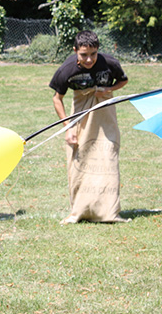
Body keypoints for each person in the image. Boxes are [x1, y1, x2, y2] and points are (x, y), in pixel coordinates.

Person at [49, 30, 129, 224]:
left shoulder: (109, 63)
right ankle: (79, 211)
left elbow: (123, 80)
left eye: (93, 54)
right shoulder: (66, 69)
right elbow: (57, 99)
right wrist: (68, 127)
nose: (89, 59)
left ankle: (109, 213)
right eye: (84, 55)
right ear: (75, 50)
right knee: (79, 159)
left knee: (108, 158)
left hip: (105, 112)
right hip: (80, 114)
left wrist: (108, 90)